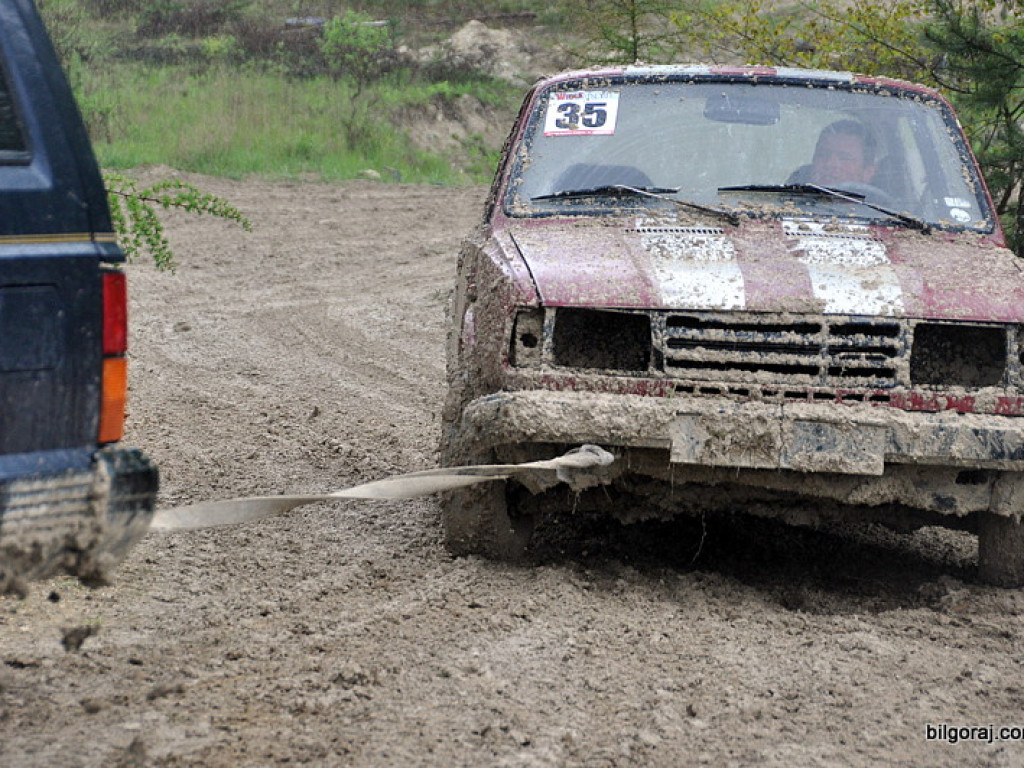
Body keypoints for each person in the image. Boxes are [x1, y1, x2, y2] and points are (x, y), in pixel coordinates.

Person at [789, 119, 878, 187]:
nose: (830, 164)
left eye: (844, 158)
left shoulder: (882, 210)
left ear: (868, 172)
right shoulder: (785, 205)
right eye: (823, 155)